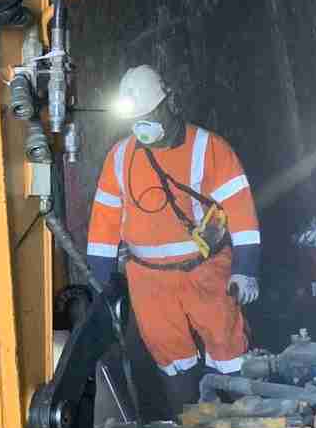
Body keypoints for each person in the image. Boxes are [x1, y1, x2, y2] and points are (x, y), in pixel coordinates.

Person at [86, 65, 261, 410]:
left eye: (149, 115)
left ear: (171, 103)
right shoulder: (120, 157)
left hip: (206, 272)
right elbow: (103, 223)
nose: (142, 126)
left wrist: (246, 267)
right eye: (135, 119)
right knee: (170, 355)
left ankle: (242, 427)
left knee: (228, 350)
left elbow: (242, 212)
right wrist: (100, 282)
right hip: (148, 280)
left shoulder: (209, 148)